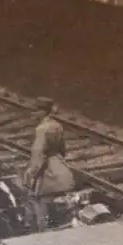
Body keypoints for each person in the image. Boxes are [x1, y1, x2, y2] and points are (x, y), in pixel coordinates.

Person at [23, 97, 75, 231]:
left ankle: (44, 234)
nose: (33, 114)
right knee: (64, 214)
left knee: (41, 210)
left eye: (35, 111)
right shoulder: (57, 126)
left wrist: (31, 174)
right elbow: (62, 149)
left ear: (42, 112)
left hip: (47, 175)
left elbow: (38, 154)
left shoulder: (41, 129)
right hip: (61, 170)